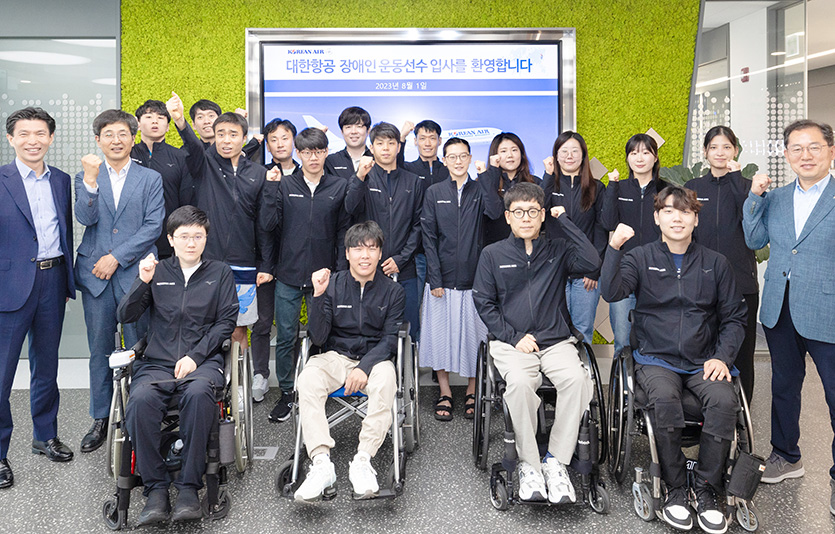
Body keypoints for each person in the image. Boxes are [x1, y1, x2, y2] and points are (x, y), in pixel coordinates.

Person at [601, 185, 746, 533]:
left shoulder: (716, 263)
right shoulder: (640, 257)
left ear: (695, 218)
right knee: (664, 400)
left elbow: (734, 318)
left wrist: (723, 357)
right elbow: (611, 291)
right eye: (668, 210)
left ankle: (708, 489)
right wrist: (614, 248)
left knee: (725, 401)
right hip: (656, 358)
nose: (676, 217)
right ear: (657, 218)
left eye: (684, 211)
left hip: (704, 359)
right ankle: (677, 487)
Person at [472, 182, 598, 504]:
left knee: (577, 379)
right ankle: (529, 463)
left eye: (532, 211)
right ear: (508, 217)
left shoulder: (557, 250)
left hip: (555, 341)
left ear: (542, 215)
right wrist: (514, 337)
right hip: (511, 342)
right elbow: (484, 302)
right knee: (520, 384)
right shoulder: (492, 255)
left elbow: (592, 261)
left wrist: (564, 220)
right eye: (518, 212)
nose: (525, 218)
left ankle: (555, 461)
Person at [118, 206, 239, 525]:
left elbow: (226, 321)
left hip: (202, 364)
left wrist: (195, 357)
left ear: (205, 239)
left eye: (197, 236)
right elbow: (125, 315)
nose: (191, 243)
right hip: (157, 363)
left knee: (200, 396)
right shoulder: (157, 272)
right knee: (141, 401)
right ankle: (156, 490)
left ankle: (188, 488)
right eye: (184, 236)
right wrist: (142, 282)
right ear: (170, 239)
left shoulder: (220, 272)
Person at [742, 119, 835, 514]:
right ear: (786, 155)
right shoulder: (775, 197)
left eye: (813, 147)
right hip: (780, 307)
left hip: (828, 307)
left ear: (830, 151)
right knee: (783, 386)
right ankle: (786, 455)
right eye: (796, 148)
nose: (805, 155)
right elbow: (754, 240)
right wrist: (753, 198)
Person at [293, 221, 405, 502]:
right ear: (347, 254)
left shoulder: (394, 292)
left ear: (380, 254)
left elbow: (390, 340)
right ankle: (321, 464)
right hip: (335, 356)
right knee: (307, 377)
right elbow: (317, 337)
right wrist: (317, 296)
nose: (364, 255)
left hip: (375, 359)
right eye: (358, 248)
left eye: (371, 248)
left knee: (387, 380)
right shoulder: (332, 285)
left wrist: (363, 368)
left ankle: (363, 461)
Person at [75, 109, 165, 454]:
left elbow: (153, 226)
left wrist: (117, 257)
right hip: (95, 275)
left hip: (133, 273)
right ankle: (100, 417)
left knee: (138, 346)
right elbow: (85, 217)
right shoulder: (85, 177)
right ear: (98, 140)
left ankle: (140, 413)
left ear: (133, 137)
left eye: (122, 134)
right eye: (108, 135)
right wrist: (90, 182)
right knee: (99, 348)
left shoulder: (149, 178)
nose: (116, 140)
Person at [0, 107, 76, 487]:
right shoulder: (1, 179)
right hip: (8, 289)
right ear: (11, 138)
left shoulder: (61, 180)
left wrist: (65, 282)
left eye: (40, 133)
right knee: (1, 374)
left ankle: (44, 436)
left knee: (46, 368)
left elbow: (64, 232)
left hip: (52, 280)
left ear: (50, 138)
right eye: (24, 133)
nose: (33, 140)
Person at [167, 91, 275, 351]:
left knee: (239, 328)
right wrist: (180, 121)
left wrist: (265, 263)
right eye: (221, 134)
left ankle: (241, 387)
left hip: (244, 263)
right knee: (203, 325)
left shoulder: (258, 174)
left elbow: (265, 224)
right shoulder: (204, 164)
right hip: (207, 260)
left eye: (233, 134)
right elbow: (193, 146)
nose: (226, 140)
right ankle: (209, 385)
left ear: (244, 138)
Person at [260, 127, 351, 422]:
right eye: (307, 152)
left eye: (319, 151)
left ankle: (320, 389)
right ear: (298, 154)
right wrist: (271, 189)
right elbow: (268, 225)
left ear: (326, 152)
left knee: (321, 336)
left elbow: (342, 233)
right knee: (286, 336)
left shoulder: (339, 186)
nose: (313, 157)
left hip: (323, 277)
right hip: (288, 274)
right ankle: (288, 393)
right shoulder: (285, 185)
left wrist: (337, 272)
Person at [420, 137, 503, 421]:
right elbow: (428, 237)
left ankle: (471, 391)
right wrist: (435, 277)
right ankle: (444, 392)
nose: (457, 161)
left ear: (469, 159)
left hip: (475, 280)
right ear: (444, 161)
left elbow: (495, 212)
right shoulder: (433, 192)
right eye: (452, 157)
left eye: (462, 156)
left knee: (474, 339)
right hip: (440, 280)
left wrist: (485, 178)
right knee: (438, 338)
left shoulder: (480, 188)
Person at [685, 126, 759, 402]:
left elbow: (751, 220)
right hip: (700, 283)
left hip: (741, 283)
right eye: (714, 147)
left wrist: (737, 179)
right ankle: (710, 411)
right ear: (705, 152)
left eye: (726, 146)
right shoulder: (693, 188)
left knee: (742, 353)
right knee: (704, 351)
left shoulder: (745, 186)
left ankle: (743, 417)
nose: (720, 152)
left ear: (735, 151)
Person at [345, 122, 424, 339]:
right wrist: (359, 177)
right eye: (380, 143)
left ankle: (407, 371)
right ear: (372, 147)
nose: (386, 148)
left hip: (404, 268)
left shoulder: (413, 181)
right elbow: (349, 209)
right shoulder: (363, 177)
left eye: (391, 143)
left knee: (408, 327)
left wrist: (401, 258)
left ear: (399, 147)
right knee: (370, 327)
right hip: (369, 266)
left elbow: (418, 225)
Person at [247, 117, 299, 404]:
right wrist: (266, 265)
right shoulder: (259, 173)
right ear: (267, 145)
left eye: (284, 138)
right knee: (263, 319)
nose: (280, 144)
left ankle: (301, 375)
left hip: (298, 259)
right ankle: (260, 373)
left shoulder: (309, 172)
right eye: (273, 140)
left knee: (293, 326)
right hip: (267, 259)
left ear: (294, 141)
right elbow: (260, 225)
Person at [541, 131, 607, 344]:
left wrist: (594, 269)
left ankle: (583, 375)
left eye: (575, 151)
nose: (569, 156)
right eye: (564, 151)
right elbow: (538, 209)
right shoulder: (551, 186)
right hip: (555, 271)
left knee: (582, 330)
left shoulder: (597, 187)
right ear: (556, 156)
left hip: (585, 275)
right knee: (555, 331)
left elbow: (600, 229)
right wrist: (548, 176)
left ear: (583, 155)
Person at [600, 133, 663, 354]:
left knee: (656, 341)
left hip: (658, 274)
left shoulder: (665, 190)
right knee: (622, 341)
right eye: (634, 153)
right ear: (627, 158)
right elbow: (608, 223)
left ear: (655, 158)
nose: (640, 157)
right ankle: (622, 388)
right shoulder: (620, 188)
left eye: (646, 152)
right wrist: (612, 186)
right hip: (624, 273)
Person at [131, 99, 193, 259]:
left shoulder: (180, 157)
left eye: (160, 118)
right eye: (149, 117)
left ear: (167, 126)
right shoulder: (127, 155)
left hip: (168, 243)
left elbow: (185, 201)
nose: (154, 121)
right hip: (131, 241)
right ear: (137, 123)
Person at [477, 132, 539, 246]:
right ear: (494, 155)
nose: (510, 155)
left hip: (529, 248)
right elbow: (492, 213)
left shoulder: (534, 182)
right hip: (494, 250)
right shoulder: (483, 182)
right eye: (503, 151)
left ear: (522, 153)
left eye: (514, 150)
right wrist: (493, 173)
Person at [325, 106, 372, 179]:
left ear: (368, 130)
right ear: (342, 132)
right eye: (348, 127)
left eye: (359, 126)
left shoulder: (378, 160)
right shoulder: (330, 161)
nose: (353, 132)